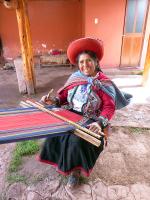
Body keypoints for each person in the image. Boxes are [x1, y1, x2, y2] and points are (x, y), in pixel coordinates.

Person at [38, 37, 131, 188]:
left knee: (76, 141)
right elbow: (63, 97)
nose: (85, 65)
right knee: (56, 133)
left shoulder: (103, 83)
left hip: (92, 119)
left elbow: (109, 107)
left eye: (88, 61)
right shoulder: (75, 78)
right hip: (71, 113)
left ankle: (75, 172)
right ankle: (61, 161)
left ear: (96, 62)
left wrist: (100, 123)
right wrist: (53, 101)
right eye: (81, 62)